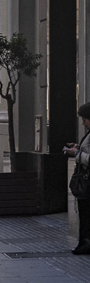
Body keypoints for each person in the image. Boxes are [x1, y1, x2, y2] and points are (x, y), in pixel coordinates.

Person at [63, 102, 90, 254]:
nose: (83, 122)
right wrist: (78, 147)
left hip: (87, 181)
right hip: (86, 180)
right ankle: (84, 242)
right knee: (85, 214)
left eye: (85, 119)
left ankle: (85, 243)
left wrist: (77, 154)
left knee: (86, 214)